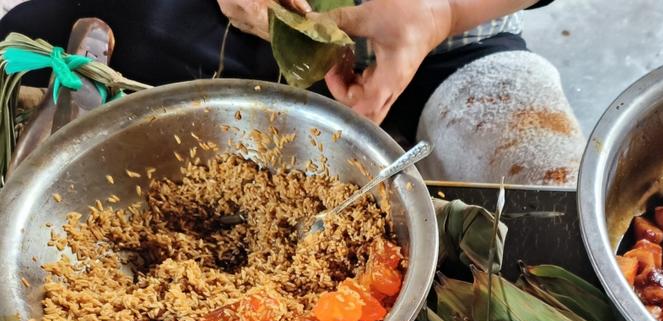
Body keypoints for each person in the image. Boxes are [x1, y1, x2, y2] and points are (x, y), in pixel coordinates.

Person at [0, 0, 584, 183]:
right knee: (22, 63)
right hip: (224, 27)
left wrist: (444, 10)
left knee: (550, 204)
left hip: (452, 40)